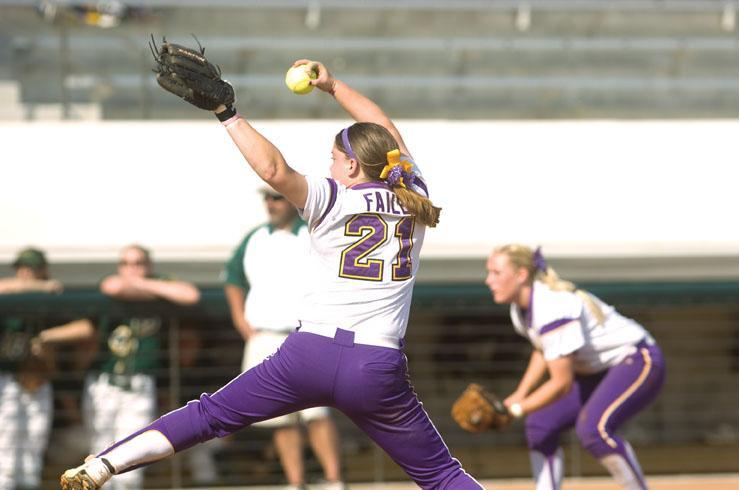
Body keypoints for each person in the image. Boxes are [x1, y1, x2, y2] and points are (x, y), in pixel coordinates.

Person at [61, 57, 483, 490]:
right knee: (441, 475)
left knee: (209, 415)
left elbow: (273, 171)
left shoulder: (334, 196)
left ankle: (104, 466)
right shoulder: (413, 195)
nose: (332, 166)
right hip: (376, 365)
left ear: (354, 167)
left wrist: (228, 113)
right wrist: (335, 86)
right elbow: (386, 131)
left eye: (336, 159)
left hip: (310, 353)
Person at [484, 244, 666, 490]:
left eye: (496, 273)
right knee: (540, 425)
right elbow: (544, 349)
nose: (488, 280)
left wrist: (516, 409)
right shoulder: (520, 309)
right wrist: (519, 394)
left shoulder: (551, 306)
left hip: (637, 359)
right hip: (597, 370)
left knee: (594, 430)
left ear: (521, 275)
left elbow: (561, 383)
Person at [224, 187, 345, 490]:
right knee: (279, 416)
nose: (270, 203)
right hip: (263, 337)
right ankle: (296, 482)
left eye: (276, 197)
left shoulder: (314, 233)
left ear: (291, 200)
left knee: (316, 412)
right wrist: (241, 320)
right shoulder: (254, 238)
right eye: (266, 198)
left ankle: (334, 480)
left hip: (305, 336)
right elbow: (233, 278)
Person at [82, 244, 200, 490]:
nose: (131, 269)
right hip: (105, 380)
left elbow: (190, 295)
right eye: (126, 264)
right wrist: (155, 291)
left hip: (140, 383)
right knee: (98, 451)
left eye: (138, 264)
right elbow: (112, 286)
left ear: (148, 266)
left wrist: (144, 286)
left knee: (130, 457)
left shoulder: (158, 281)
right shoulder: (116, 280)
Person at [0, 247, 95, 490]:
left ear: (43, 270)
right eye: (22, 268)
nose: (25, 274)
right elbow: (5, 287)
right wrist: (42, 287)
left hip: (38, 379)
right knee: (6, 452)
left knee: (32, 449)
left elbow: (86, 326)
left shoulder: (51, 304)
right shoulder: (16, 292)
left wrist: (46, 337)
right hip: (7, 379)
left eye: (31, 269)